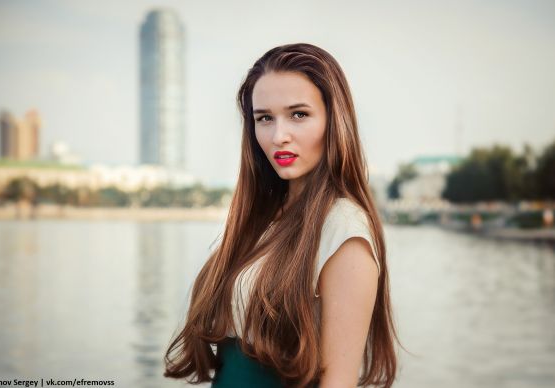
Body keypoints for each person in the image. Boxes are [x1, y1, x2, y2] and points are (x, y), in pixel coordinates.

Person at [164, 43, 398, 387]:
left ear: (334, 121)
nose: (278, 136)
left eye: (299, 115)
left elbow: (338, 382)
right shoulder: (265, 217)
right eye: (264, 118)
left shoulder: (343, 229)